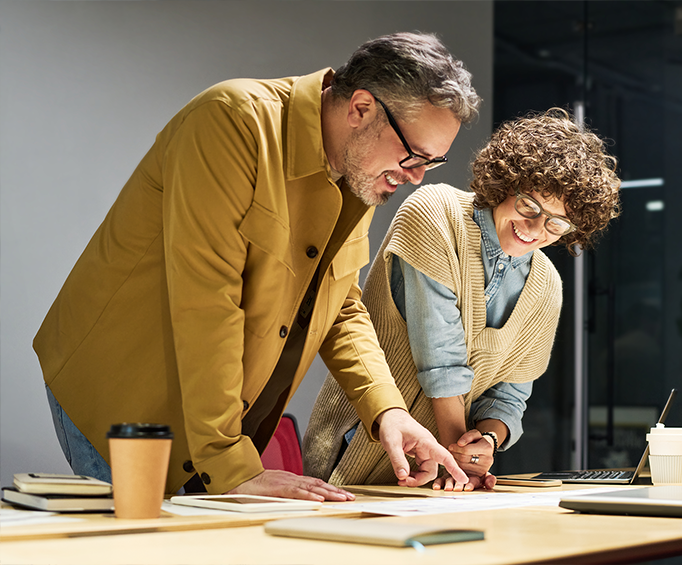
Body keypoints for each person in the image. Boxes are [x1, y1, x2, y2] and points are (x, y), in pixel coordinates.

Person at [33, 32, 482, 501]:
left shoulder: (358, 169)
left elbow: (338, 304)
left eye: (430, 163)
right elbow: (207, 301)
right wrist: (229, 462)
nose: (414, 176)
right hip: (125, 393)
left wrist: (388, 410)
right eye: (413, 155)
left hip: (209, 420)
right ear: (362, 109)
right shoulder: (231, 121)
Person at [303, 109, 621, 490]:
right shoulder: (435, 213)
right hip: (361, 448)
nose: (535, 230)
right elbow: (442, 363)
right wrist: (462, 465)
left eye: (556, 223)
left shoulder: (547, 285)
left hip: (443, 478)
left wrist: (485, 442)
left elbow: (510, 393)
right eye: (529, 207)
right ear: (507, 183)